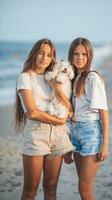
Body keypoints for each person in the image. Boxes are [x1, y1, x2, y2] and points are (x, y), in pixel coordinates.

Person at [15, 38, 74, 200]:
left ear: (52, 58)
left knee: (51, 188)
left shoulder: (53, 78)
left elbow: (69, 110)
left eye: (49, 55)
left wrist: (57, 88)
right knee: (29, 190)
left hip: (58, 135)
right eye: (41, 53)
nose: (44, 58)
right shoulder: (25, 77)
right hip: (37, 134)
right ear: (34, 54)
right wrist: (60, 121)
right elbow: (32, 112)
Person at [64, 37, 109, 200]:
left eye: (84, 54)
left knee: (84, 187)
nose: (80, 58)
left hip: (91, 133)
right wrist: (68, 145)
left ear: (90, 56)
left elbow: (104, 112)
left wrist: (105, 145)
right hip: (74, 133)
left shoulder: (92, 78)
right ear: (71, 56)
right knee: (82, 185)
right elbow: (70, 112)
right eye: (76, 54)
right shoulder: (73, 79)